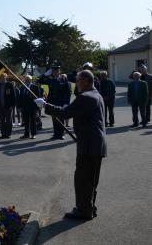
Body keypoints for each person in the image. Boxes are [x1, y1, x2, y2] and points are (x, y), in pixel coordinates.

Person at [35, 70, 107, 220]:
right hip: (94, 143)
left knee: (82, 180)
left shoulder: (86, 97)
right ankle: (89, 208)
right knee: (91, 179)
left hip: (89, 145)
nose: (77, 83)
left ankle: (83, 210)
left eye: (79, 80)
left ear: (86, 81)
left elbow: (66, 112)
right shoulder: (96, 94)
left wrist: (45, 105)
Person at [38, 65, 70, 140]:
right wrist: (45, 74)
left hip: (61, 102)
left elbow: (68, 91)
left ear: (59, 71)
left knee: (61, 118)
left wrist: (66, 103)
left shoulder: (63, 79)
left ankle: (61, 134)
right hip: (52, 102)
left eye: (56, 71)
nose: (55, 72)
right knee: (54, 118)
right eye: (53, 71)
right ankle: (56, 134)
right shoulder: (50, 79)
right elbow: (40, 81)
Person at [0, 73, 16, 138]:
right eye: (1, 77)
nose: (2, 78)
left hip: (8, 107)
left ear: (6, 78)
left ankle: (8, 134)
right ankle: (3, 134)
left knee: (9, 120)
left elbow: (13, 96)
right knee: (2, 121)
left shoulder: (10, 85)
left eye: (3, 77)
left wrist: (12, 105)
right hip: (0, 106)